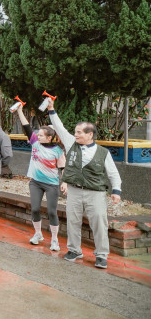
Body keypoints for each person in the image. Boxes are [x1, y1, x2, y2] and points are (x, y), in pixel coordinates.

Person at [48, 99, 122, 269]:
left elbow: (113, 173)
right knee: (73, 221)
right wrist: (51, 109)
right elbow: (59, 127)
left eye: (80, 132)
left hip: (95, 192)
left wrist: (116, 190)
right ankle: (74, 250)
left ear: (90, 134)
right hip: (74, 190)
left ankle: (101, 255)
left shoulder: (103, 152)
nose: (76, 135)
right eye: (75, 132)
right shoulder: (71, 144)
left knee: (99, 223)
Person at [14, 105, 66, 250]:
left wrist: (65, 183)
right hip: (35, 183)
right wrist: (19, 110)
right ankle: (38, 234)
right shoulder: (35, 143)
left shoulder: (58, 151)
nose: (38, 136)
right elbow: (26, 127)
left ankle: (54, 239)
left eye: (41, 135)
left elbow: (63, 168)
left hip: (51, 185)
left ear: (49, 137)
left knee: (51, 211)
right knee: (35, 209)